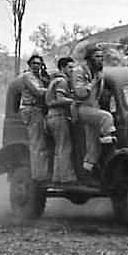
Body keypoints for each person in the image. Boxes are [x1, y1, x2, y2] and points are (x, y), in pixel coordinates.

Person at [71, 43, 117, 176]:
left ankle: (87, 173)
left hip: (94, 108)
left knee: (93, 147)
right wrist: (94, 82)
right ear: (89, 58)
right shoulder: (79, 71)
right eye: (97, 57)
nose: (100, 60)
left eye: (102, 57)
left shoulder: (99, 73)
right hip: (82, 108)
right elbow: (80, 93)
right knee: (106, 117)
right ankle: (109, 146)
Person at [18, 54, 51, 184]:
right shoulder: (28, 76)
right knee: (37, 143)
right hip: (31, 110)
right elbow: (37, 91)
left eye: (39, 63)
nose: (36, 66)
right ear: (30, 65)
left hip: (38, 110)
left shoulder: (39, 77)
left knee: (41, 143)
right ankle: (39, 175)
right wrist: (53, 89)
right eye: (34, 63)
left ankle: (42, 173)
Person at [45, 56, 77, 185]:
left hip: (52, 116)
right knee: (65, 147)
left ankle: (57, 176)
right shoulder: (62, 81)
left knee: (59, 147)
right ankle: (66, 177)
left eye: (73, 67)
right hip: (58, 115)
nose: (72, 70)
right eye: (70, 67)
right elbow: (60, 98)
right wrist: (75, 101)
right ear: (62, 68)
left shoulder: (55, 79)